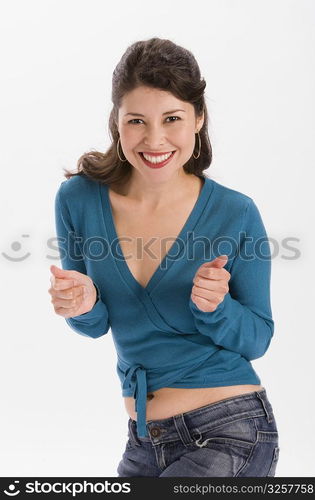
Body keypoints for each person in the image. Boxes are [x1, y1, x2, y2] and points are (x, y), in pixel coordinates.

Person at [48, 37, 280, 477]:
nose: (154, 139)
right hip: (142, 443)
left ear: (198, 119)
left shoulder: (236, 212)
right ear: (117, 122)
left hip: (230, 429)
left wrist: (218, 308)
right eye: (137, 120)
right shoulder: (78, 199)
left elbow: (258, 338)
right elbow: (95, 325)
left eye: (171, 118)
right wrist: (82, 305)